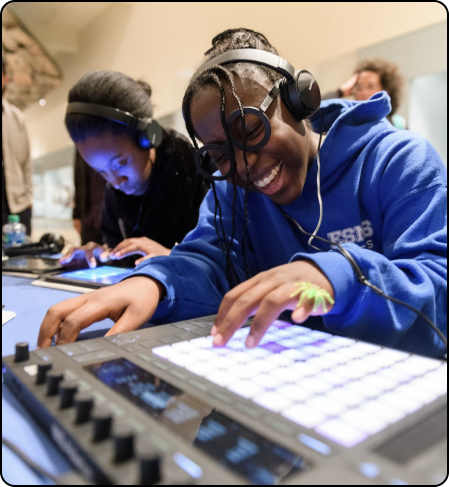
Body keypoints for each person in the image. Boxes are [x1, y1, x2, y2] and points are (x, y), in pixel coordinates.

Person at [37, 29, 447, 359]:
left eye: (250, 130)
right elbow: (210, 262)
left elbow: (438, 289)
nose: (245, 165)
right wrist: (156, 283)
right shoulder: (233, 194)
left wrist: (337, 276)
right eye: (219, 154)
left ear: (299, 99)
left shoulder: (398, 161)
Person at [59, 70, 209, 268]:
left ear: (148, 138)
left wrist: (171, 256)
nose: (115, 181)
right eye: (101, 171)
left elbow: (228, 260)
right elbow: (118, 250)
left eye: (120, 164)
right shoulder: (114, 193)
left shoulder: (200, 172)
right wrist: (105, 255)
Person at [322, 57, 407, 129]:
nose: (364, 92)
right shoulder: (348, 120)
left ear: (386, 91)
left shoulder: (398, 123)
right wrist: (341, 91)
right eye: (360, 87)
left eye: (371, 86)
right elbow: (315, 111)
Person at [2, 55, 33, 235]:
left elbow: (26, 162)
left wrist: (28, 197)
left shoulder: (17, 117)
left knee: (22, 257)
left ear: (6, 78)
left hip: (17, 205)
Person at [72, 149, 106, 245]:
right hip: (89, 216)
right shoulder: (80, 145)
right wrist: (76, 214)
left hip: (114, 215)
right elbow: (78, 180)